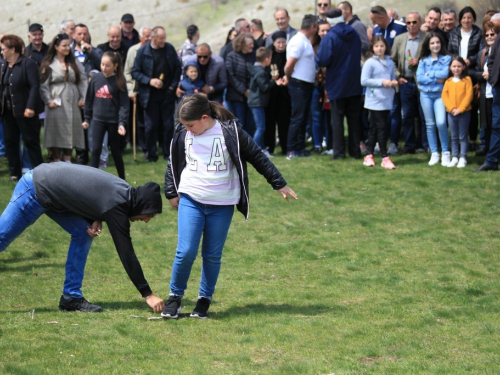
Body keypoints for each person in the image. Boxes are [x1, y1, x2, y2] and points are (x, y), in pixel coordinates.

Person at [162, 94, 297, 319]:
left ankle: (204, 300)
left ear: (204, 118)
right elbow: (173, 160)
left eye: (190, 125)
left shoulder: (230, 132)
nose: (186, 129)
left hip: (222, 203)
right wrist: (170, 191)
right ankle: (175, 297)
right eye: (183, 125)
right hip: (191, 198)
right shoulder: (182, 132)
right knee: (185, 251)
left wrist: (279, 183)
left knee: (212, 255)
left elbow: (256, 156)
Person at [0, 162, 164, 313]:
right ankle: (71, 297)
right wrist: (147, 294)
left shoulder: (125, 192)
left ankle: (71, 298)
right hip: (37, 188)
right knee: (2, 238)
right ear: (143, 205)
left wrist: (95, 217)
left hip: (52, 191)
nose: (147, 220)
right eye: (149, 214)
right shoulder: (119, 205)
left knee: (82, 233)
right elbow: (126, 252)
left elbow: (91, 193)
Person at [317, 8, 362, 160]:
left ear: (330, 21)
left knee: (337, 120)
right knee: (354, 120)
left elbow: (323, 59)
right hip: (354, 81)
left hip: (336, 82)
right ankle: (355, 151)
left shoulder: (330, 37)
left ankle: (339, 152)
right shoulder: (354, 33)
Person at [132, 26, 181, 162]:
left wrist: (172, 87)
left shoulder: (169, 49)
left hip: (167, 93)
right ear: (153, 38)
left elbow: (177, 68)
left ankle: (167, 153)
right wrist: (150, 81)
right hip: (149, 94)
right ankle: (151, 154)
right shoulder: (143, 52)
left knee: (168, 125)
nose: (164, 41)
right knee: (151, 126)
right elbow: (135, 72)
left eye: (165, 38)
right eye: (161, 38)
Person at [0, 35, 44, 181]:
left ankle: (40, 173)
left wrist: (30, 106)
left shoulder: (28, 64)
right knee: (10, 142)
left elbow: (34, 86)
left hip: (25, 111)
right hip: (7, 112)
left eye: (3, 49)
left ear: (13, 50)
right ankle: (15, 174)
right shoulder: (3, 65)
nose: (2, 52)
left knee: (31, 142)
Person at [40, 33, 87, 163]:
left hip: (72, 98)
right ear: (56, 46)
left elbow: (82, 80)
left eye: (68, 45)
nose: (67, 48)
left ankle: (68, 159)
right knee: (56, 130)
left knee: (71, 128)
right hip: (56, 99)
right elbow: (43, 84)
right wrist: (48, 100)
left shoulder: (74, 61)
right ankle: (56, 159)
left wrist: (83, 96)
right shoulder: (49, 63)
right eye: (64, 46)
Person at [83, 52, 129, 179]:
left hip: (113, 121)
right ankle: (92, 180)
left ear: (115, 66)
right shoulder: (96, 78)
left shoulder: (119, 81)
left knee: (115, 151)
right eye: (102, 64)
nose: (104, 67)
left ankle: (122, 180)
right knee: (96, 150)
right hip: (98, 120)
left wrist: (121, 123)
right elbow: (89, 100)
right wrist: (87, 118)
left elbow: (124, 105)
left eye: (107, 65)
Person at [390, 11, 426, 155]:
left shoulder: (426, 38)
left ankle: (425, 145)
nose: (411, 25)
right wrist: (398, 77)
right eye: (408, 23)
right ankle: (409, 145)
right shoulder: (399, 39)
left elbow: (432, 56)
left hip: (422, 83)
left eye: (414, 22)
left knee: (424, 116)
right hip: (405, 82)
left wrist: (420, 61)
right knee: (407, 116)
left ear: (420, 23)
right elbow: (392, 60)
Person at [447, 6, 483, 151]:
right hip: (456, 73)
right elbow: (449, 51)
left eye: (469, 17)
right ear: (459, 19)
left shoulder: (478, 33)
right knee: (456, 104)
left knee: (471, 107)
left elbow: (481, 51)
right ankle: (458, 140)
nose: (466, 20)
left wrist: (470, 60)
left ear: (473, 18)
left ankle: (473, 139)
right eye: (464, 18)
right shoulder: (454, 33)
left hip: (472, 72)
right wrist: (457, 61)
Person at [361, 35, 398, 169]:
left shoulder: (389, 62)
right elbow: (364, 81)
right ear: (372, 48)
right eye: (377, 46)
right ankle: (384, 156)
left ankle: (369, 155)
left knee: (375, 129)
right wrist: (382, 82)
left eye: (382, 46)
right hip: (374, 100)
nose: (379, 48)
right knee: (382, 128)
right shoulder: (369, 62)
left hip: (386, 99)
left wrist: (393, 83)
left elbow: (392, 77)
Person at [284, 14, 317, 160]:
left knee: (303, 116)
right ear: (312, 27)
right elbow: (289, 64)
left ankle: (299, 146)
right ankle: (291, 148)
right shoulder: (299, 41)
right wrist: (289, 76)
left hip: (304, 83)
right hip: (299, 83)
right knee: (297, 117)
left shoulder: (303, 40)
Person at [416, 32, 451, 166]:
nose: (435, 45)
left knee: (441, 122)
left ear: (441, 44)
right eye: (432, 43)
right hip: (425, 95)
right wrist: (437, 79)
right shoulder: (423, 60)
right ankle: (434, 153)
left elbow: (445, 74)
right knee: (430, 125)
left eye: (437, 42)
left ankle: (445, 153)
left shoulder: (446, 59)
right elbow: (419, 78)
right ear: (428, 45)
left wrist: (429, 74)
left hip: (440, 95)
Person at [473, 24, 500, 171]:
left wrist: (493, 76)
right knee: (491, 126)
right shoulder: (482, 53)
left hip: (495, 91)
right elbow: (477, 70)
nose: (489, 37)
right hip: (488, 92)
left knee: (496, 126)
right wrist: (486, 76)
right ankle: (491, 158)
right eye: (487, 35)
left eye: (493, 34)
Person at [124, 26, 152, 157]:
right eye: (147, 36)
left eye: (151, 35)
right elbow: (127, 72)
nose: (150, 38)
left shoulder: (155, 50)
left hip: (151, 91)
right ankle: (143, 146)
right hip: (137, 91)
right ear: (140, 37)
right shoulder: (133, 50)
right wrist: (131, 91)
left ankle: (152, 146)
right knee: (140, 121)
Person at [442, 56, 473, 168]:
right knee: (454, 136)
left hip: (464, 113)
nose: (456, 68)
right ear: (450, 68)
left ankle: (463, 157)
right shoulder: (448, 81)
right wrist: (451, 109)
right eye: (454, 66)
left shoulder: (467, 80)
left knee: (463, 136)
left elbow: (469, 95)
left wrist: (460, 109)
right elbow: (444, 96)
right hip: (451, 113)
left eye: (459, 66)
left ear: (463, 67)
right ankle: (455, 157)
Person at [247, 47, 281, 153]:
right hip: (257, 102)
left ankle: (260, 149)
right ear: (267, 59)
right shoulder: (261, 72)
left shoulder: (255, 69)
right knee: (261, 127)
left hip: (255, 102)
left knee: (260, 126)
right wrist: (274, 81)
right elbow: (264, 87)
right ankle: (253, 150)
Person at [264, 32, 291, 156]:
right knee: (270, 122)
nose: (281, 45)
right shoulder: (269, 55)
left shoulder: (289, 53)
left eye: (283, 42)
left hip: (285, 93)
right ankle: (269, 147)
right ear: (274, 43)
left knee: (284, 121)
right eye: (278, 43)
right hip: (271, 93)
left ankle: (285, 147)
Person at [225, 33, 256, 135]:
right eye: (250, 44)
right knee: (239, 125)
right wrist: (244, 91)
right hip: (236, 97)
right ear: (242, 45)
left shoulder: (253, 56)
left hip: (251, 96)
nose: (252, 46)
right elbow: (230, 77)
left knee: (251, 125)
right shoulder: (231, 56)